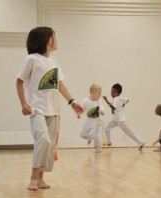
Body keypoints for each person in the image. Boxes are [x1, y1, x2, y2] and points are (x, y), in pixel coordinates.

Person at [16, 27, 84, 191]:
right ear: (43, 40)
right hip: (37, 109)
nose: (56, 40)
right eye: (53, 37)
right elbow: (19, 81)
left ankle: (41, 178)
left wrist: (72, 102)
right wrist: (23, 102)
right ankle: (33, 177)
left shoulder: (55, 62)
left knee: (50, 144)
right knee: (43, 139)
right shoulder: (32, 59)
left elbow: (60, 85)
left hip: (54, 110)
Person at [103, 83, 145, 150]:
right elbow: (127, 100)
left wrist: (106, 101)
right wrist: (122, 107)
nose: (111, 93)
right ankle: (109, 142)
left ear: (118, 93)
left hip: (120, 120)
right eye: (111, 91)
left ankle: (141, 142)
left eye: (114, 92)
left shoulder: (116, 98)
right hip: (115, 119)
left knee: (128, 132)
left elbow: (113, 108)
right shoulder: (119, 98)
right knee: (106, 128)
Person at [80, 84, 105, 153]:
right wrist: (79, 114)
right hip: (88, 121)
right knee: (82, 134)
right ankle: (90, 138)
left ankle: (98, 149)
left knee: (97, 136)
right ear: (93, 93)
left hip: (97, 122)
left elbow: (102, 109)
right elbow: (81, 109)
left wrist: (102, 111)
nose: (100, 94)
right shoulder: (85, 101)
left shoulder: (99, 101)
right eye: (99, 93)